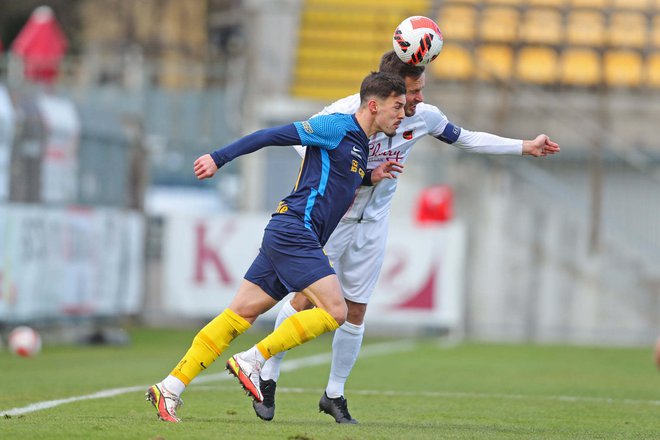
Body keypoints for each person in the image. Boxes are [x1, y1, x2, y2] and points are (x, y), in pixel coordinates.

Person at [253, 50, 561, 424]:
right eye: (413, 92)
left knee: (356, 309)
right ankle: (267, 374)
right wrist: (357, 175)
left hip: (374, 223)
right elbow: (304, 146)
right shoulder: (343, 113)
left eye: (419, 91)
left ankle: (334, 394)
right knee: (304, 299)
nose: (419, 100)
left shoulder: (425, 118)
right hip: (333, 219)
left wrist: (524, 146)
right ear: (388, 93)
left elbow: (466, 138)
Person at [145, 71, 407, 423]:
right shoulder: (335, 127)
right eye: (398, 106)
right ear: (374, 105)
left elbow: (340, 174)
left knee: (239, 314)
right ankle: (254, 359)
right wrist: (218, 158)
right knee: (336, 311)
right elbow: (271, 135)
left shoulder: (359, 145)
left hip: (289, 233)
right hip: (295, 230)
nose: (403, 114)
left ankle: (169, 388)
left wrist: (369, 176)